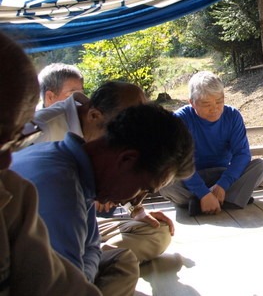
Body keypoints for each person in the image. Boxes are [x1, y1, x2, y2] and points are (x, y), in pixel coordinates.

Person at [11, 102, 194, 296]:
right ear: (127, 160)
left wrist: (84, 272)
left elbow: (92, 247)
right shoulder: (63, 192)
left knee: (123, 260)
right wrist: (85, 275)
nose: (134, 198)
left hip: (60, 274)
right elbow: (66, 289)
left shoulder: (66, 162)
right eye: (143, 188)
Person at [25, 80, 175, 263]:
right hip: (38, 228)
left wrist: (136, 210)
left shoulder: (104, 130)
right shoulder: (43, 128)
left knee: (157, 232)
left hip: (84, 223)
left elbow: (120, 176)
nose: (128, 137)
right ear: (94, 116)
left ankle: (94, 260)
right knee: (118, 267)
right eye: (122, 129)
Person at [0, 30, 101, 295]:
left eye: (14, 141)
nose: (9, 159)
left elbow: (54, 282)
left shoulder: (13, 194)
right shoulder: (45, 131)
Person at [159, 71, 263, 217]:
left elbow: (242, 154)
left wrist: (223, 185)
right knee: (166, 183)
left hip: (222, 174)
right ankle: (227, 199)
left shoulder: (232, 116)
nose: (215, 108)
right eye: (206, 104)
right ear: (191, 102)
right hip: (190, 176)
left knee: (261, 167)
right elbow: (178, 162)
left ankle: (200, 201)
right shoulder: (180, 120)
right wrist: (203, 192)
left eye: (219, 101)